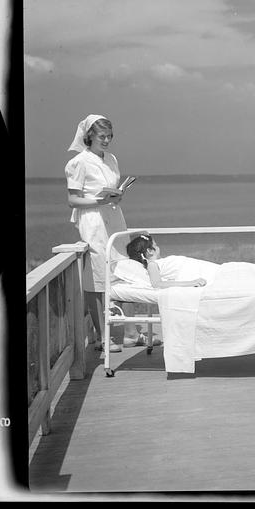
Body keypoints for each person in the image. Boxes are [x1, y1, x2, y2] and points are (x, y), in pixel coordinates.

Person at [64, 114, 154, 351]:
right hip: (93, 222)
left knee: (125, 270)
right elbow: (73, 200)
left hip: (114, 217)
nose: (106, 140)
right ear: (90, 136)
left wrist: (117, 194)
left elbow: (112, 188)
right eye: (102, 136)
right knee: (97, 276)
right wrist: (99, 200)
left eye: (109, 136)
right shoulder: (79, 162)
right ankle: (104, 338)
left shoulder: (111, 159)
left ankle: (131, 333)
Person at [125, 234, 208, 288]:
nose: (158, 247)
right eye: (155, 246)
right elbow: (158, 284)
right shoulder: (152, 265)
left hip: (197, 267)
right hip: (195, 272)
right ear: (150, 251)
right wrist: (191, 283)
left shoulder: (160, 262)